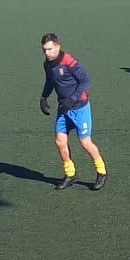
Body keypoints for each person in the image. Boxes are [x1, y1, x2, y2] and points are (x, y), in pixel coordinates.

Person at [40, 33, 108, 191]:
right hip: (63, 108)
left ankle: (101, 171)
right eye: (44, 50)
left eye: (50, 49)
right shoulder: (47, 64)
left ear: (57, 46)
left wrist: (73, 98)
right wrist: (44, 97)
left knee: (85, 142)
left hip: (79, 107)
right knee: (60, 141)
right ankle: (70, 174)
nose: (47, 53)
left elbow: (85, 81)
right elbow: (50, 81)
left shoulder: (69, 62)